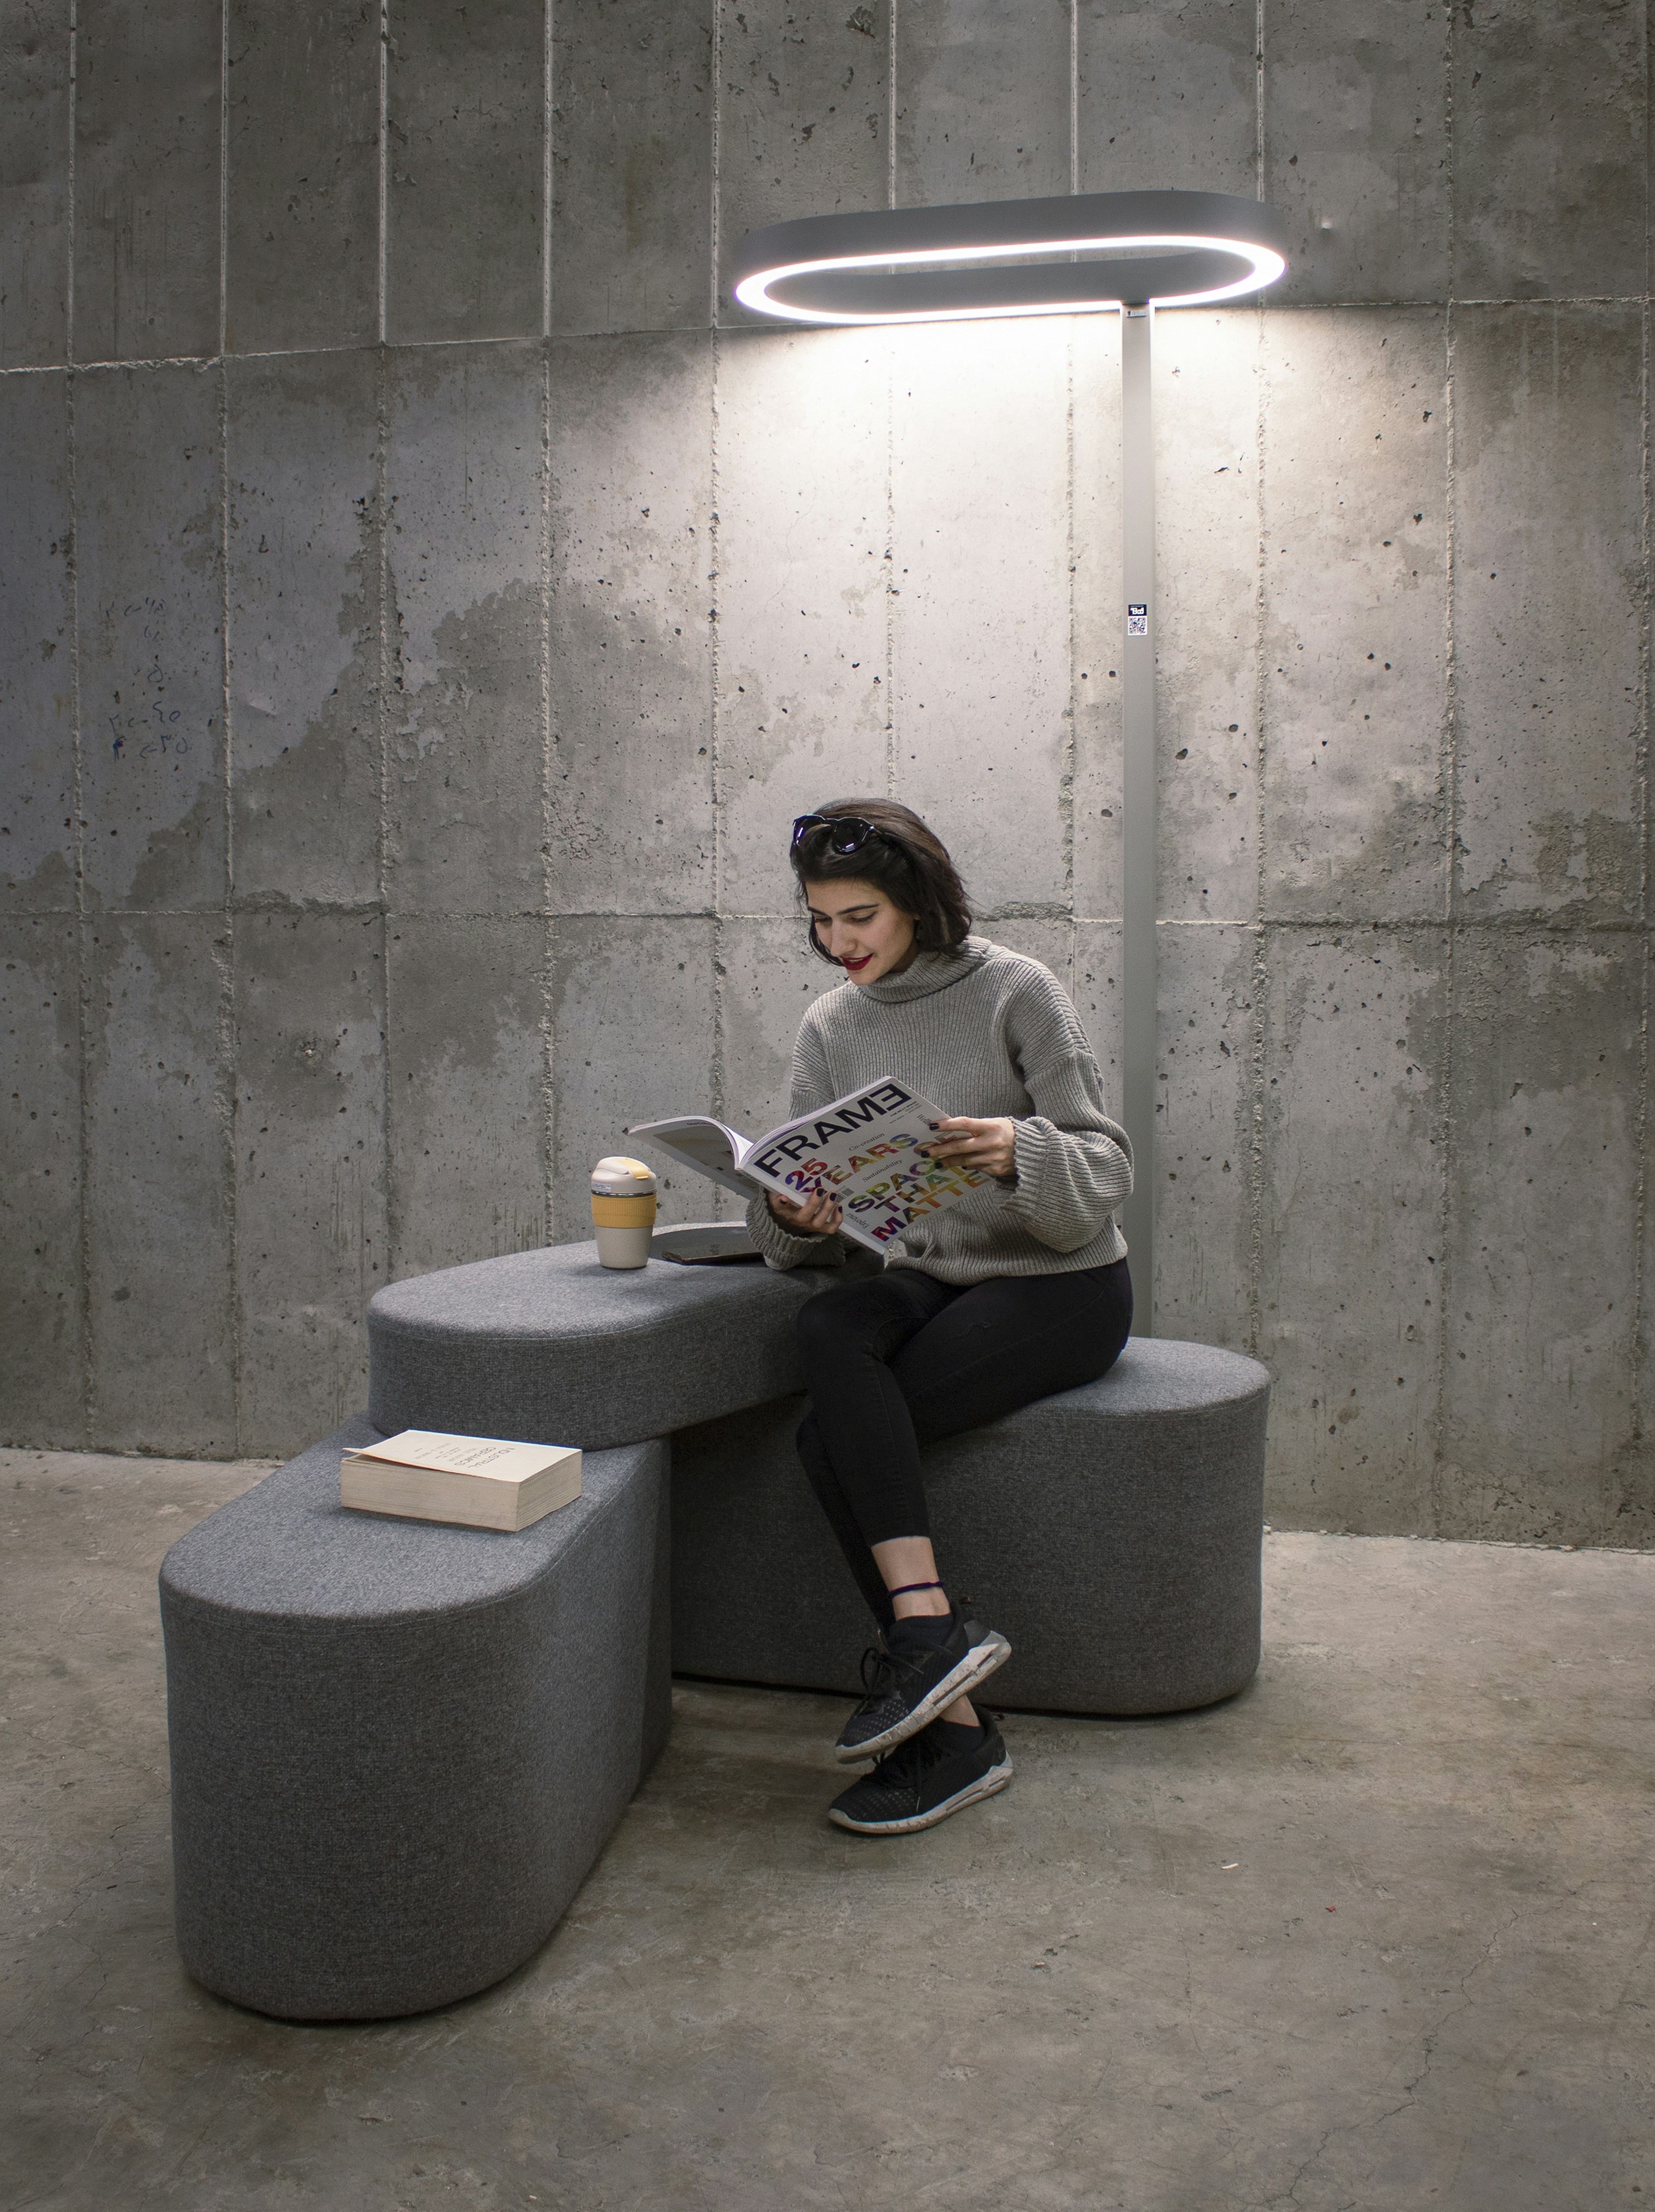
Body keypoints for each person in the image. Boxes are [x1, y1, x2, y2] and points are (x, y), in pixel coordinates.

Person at [748, 799, 1134, 1836]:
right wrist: (795, 1210)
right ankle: (937, 1657)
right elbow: (800, 1236)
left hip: (1059, 1282)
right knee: (830, 1332)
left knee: (837, 1438)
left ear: (918, 900)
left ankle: (949, 1721)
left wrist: (1019, 1148)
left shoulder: (1017, 990)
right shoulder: (830, 1024)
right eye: (822, 921)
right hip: (932, 1266)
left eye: (859, 916)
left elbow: (1106, 1169)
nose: (840, 943)